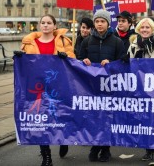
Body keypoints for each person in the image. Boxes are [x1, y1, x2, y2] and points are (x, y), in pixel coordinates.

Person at [15, 14, 75, 166]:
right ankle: (46, 155)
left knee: (59, 117)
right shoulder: (29, 43)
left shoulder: (63, 41)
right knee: (40, 121)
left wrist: (66, 57)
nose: (46, 25)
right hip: (37, 89)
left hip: (59, 87)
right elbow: (25, 66)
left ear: (55, 26)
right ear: (40, 25)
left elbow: (74, 61)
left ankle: (63, 140)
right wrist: (19, 58)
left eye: (49, 23)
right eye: (43, 23)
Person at [79, 9, 124, 162]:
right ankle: (95, 145)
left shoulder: (116, 41)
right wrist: (84, 61)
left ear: (108, 23)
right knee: (93, 118)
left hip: (109, 86)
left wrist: (111, 64)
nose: (99, 24)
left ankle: (105, 149)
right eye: (97, 21)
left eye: (102, 21)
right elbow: (78, 59)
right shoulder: (87, 41)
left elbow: (122, 62)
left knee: (107, 119)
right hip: (91, 87)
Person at [127, 17, 154, 166]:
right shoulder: (133, 45)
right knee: (143, 119)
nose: (144, 30)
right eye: (142, 27)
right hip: (139, 88)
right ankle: (147, 149)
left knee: (153, 119)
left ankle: (153, 152)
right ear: (138, 29)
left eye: (147, 27)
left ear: (152, 30)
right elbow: (128, 64)